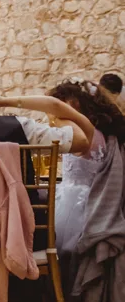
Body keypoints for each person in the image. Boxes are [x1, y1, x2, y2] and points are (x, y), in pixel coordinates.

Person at [45, 79, 122, 252]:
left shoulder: (87, 133)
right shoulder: (99, 133)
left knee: (62, 251)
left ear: (76, 104)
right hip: (77, 197)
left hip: (78, 205)